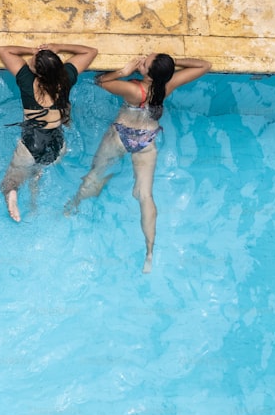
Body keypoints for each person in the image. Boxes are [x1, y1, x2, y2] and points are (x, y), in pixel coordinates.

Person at [67, 52, 211, 273]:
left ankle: (73, 206)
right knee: (145, 195)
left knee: (95, 174)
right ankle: (150, 252)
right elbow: (204, 64)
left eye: (145, 63)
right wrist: (171, 66)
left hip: (121, 137)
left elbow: (101, 81)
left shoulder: (135, 90)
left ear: (149, 76)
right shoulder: (168, 84)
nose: (142, 59)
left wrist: (124, 72)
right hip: (146, 141)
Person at [0, 43, 98, 222]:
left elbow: (4, 51)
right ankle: (35, 182)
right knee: (40, 168)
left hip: (31, 144)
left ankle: (12, 197)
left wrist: (32, 51)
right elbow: (91, 51)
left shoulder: (27, 81)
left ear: (38, 73)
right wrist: (58, 47)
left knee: (8, 184)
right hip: (58, 144)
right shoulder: (66, 77)